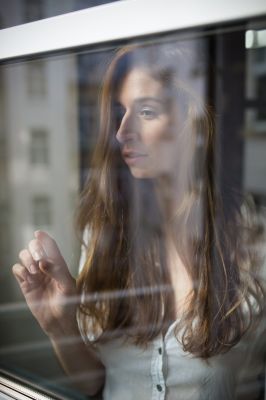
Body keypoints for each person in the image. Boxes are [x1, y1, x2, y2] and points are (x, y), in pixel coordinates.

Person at [12, 43, 265, 399]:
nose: (121, 132)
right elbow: (94, 383)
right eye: (119, 112)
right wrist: (59, 325)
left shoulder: (249, 239)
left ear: (191, 121)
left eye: (146, 112)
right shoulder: (103, 232)